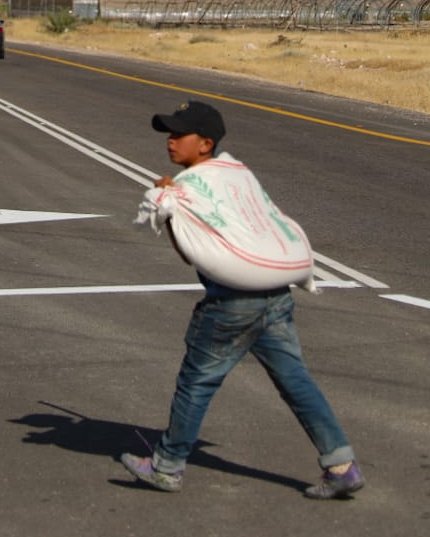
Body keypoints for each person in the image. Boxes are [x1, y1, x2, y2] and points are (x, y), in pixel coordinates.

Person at [120, 100, 363, 499]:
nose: (170, 141)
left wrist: (171, 206)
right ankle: (342, 465)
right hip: (277, 299)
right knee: (296, 381)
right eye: (169, 133)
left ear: (205, 144)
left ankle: (166, 466)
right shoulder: (238, 175)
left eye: (180, 134)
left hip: (231, 306)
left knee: (196, 382)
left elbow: (193, 255)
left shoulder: (186, 189)